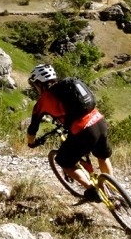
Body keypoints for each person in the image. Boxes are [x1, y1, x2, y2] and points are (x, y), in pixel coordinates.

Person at [26, 64, 113, 202]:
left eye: (35, 85)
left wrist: (31, 143)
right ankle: (112, 188)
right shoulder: (70, 85)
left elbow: (33, 128)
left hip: (84, 131)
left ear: (39, 83)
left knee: (63, 161)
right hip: (99, 121)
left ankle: (92, 189)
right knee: (102, 156)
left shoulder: (43, 101)